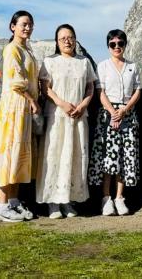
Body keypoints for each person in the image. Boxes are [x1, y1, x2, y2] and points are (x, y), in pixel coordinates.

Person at [35, 24, 97, 218]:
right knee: (54, 155)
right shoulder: (50, 61)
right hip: (57, 116)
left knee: (75, 156)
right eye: (63, 38)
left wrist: (83, 105)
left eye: (70, 37)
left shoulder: (84, 62)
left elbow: (90, 88)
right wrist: (62, 103)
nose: (67, 41)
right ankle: (53, 202)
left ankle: (69, 201)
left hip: (78, 116)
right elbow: (45, 88)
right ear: (57, 42)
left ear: (75, 39)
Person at [0, 10, 41, 222]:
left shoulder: (27, 50)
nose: (27, 28)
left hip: (24, 107)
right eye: (23, 24)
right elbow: (16, 81)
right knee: (9, 151)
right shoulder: (12, 49)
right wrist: (32, 100)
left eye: (30, 24)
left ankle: (14, 201)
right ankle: (1, 205)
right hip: (14, 105)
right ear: (13, 27)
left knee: (20, 154)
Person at [89, 29, 141, 216]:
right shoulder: (102, 66)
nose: (117, 47)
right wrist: (113, 113)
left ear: (125, 45)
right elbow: (100, 92)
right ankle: (106, 198)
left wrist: (125, 110)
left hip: (128, 114)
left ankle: (119, 197)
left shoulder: (132, 66)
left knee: (125, 156)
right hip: (108, 115)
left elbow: (137, 90)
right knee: (108, 157)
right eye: (113, 44)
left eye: (120, 43)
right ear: (108, 46)